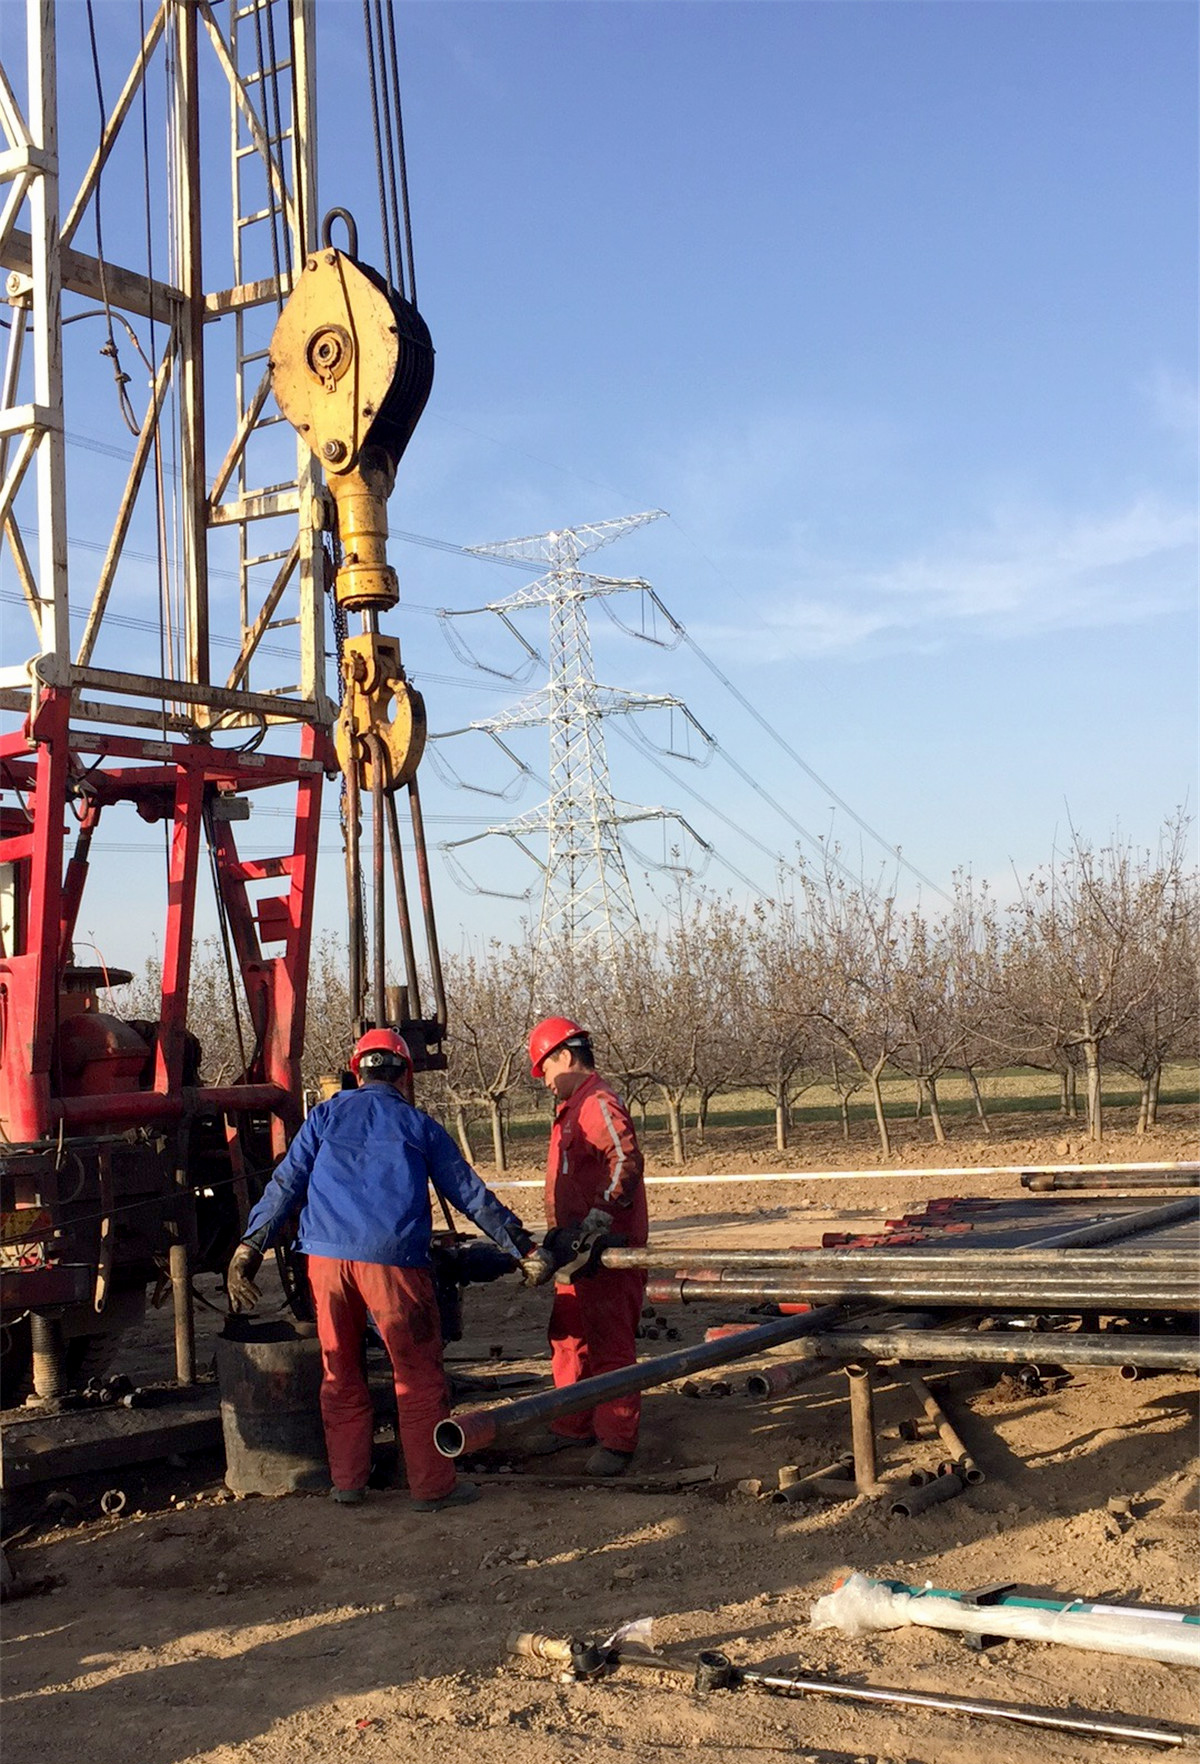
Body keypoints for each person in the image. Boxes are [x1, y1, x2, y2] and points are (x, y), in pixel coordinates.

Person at [225, 1029, 545, 1510]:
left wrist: (250, 1246)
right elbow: (468, 1192)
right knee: (416, 1374)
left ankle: (348, 1483)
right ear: (405, 1075)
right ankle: (432, 1487)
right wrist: (521, 1246)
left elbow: (286, 1182)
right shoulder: (417, 1124)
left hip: (326, 1264)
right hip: (393, 1264)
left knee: (339, 1368)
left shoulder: (324, 1115)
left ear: (357, 1072)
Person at [527, 1015, 648, 1477]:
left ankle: (616, 1440)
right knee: (569, 1337)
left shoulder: (597, 1102)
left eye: (546, 1069)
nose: (545, 1081)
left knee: (609, 1342)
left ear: (565, 1056)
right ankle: (572, 1423)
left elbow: (625, 1159)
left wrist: (601, 1216)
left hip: (606, 1250)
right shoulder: (573, 1107)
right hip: (575, 1248)